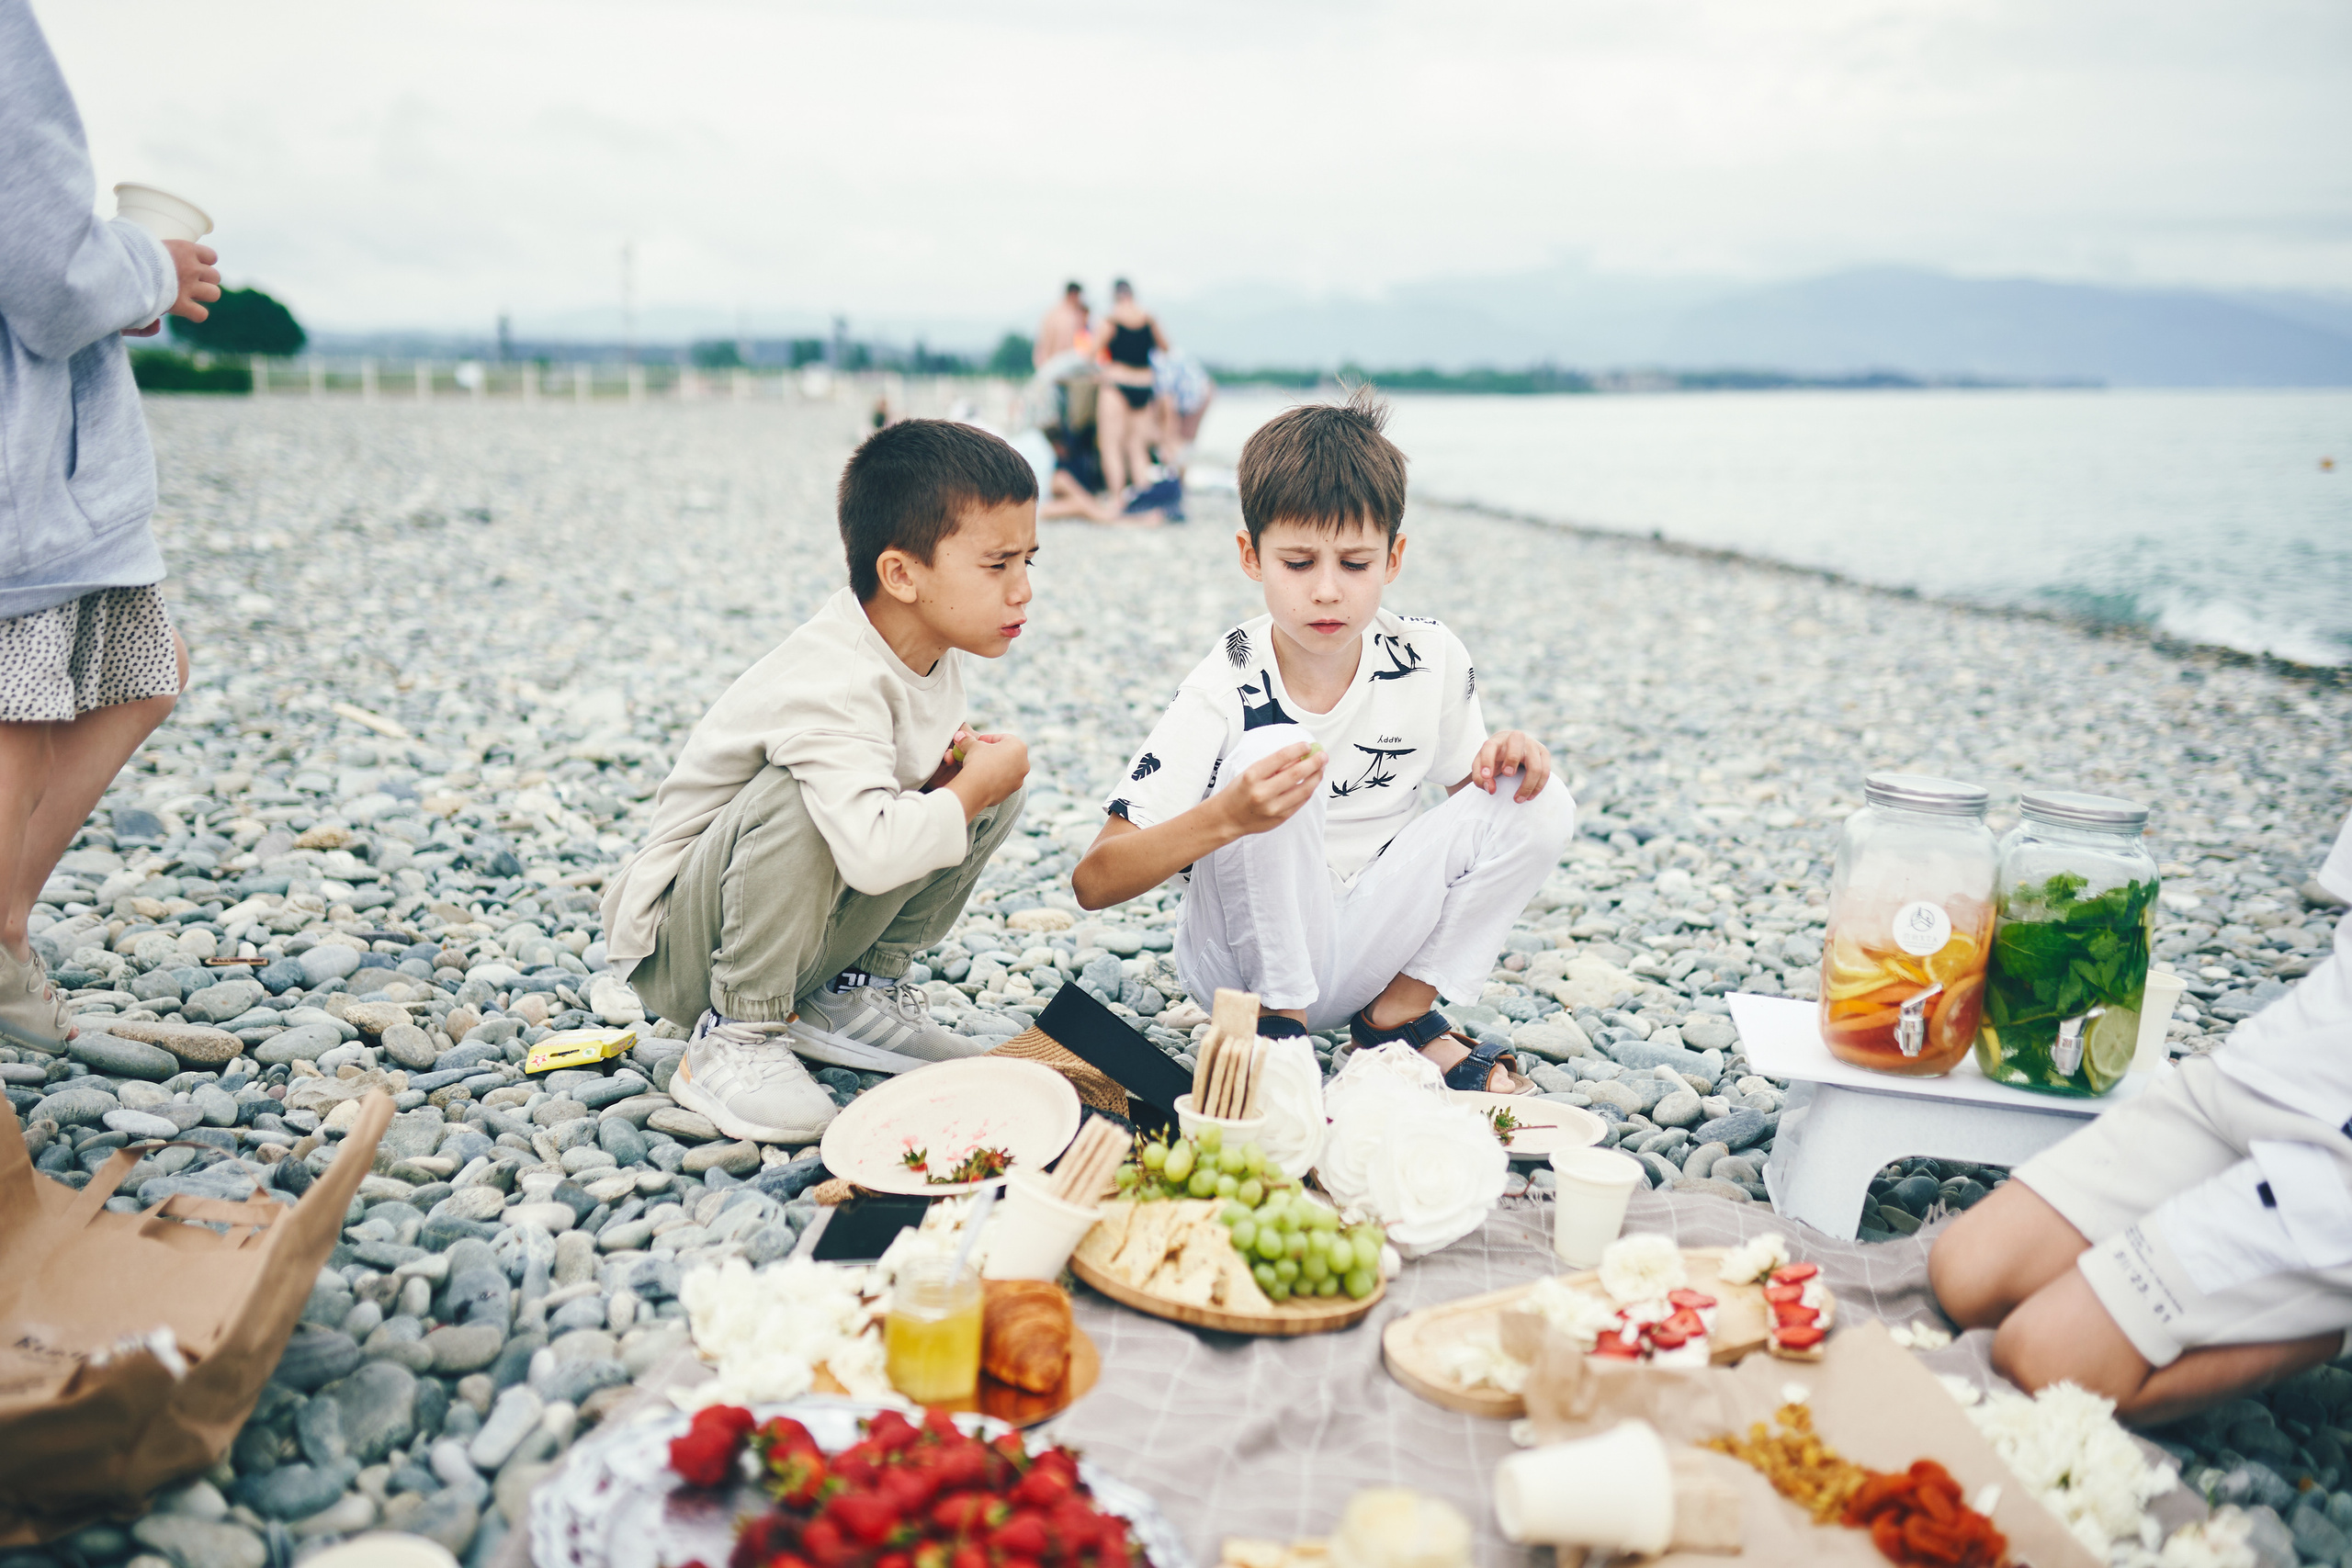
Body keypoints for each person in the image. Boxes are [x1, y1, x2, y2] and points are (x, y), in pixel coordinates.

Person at [1069, 387, 1574, 1090]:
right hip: (1238, 967)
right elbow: (1095, 880)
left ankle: (1394, 1020)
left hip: (1364, 947)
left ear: (1394, 558)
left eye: (1356, 563)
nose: (1329, 591)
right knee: (1272, 753)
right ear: (1251, 556)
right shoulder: (1225, 682)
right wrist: (1225, 816)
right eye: (1299, 563)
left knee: (1537, 796)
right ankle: (1281, 1038)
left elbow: (1477, 825)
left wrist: (1505, 762)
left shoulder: (1429, 657)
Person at [600, 420, 1039, 1144]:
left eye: (1029, 560)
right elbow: (869, 851)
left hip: (798, 923)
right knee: (815, 794)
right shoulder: (835, 681)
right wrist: (966, 792)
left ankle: (849, 997)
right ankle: (737, 1033)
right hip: (688, 949)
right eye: (998, 565)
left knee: (981, 773)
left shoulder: (928, 645)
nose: (1022, 590)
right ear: (902, 574)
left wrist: (957, 779)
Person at [1930, 810, 2352, 1425]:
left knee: (2045, 1358)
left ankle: (2330, 1319)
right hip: (2277, 1064)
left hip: (2335, 1165)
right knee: (1966, 1271)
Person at [1, 0, 220, 1052]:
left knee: (148, 664)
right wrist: (150, 265)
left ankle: (4, 938)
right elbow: (47, 276)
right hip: (22, 483)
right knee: (27, 702)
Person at [1095, 279, 1168, 499]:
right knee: (1138, 448)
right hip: (1144, 384)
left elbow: (1090, 351)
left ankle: (1117, 498)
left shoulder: (1111, 318)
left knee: (1111, 445)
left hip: (1117, 382)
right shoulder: (1148, 318)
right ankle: (1143, 496)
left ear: (1115, 295)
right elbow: (1165, 347)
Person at [1034, 281, 1091, 368]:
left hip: (1049, 365)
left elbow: (1041, 345)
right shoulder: (1071, 317)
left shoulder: (1049, 315)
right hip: (1065, 364)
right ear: (1074, 295)